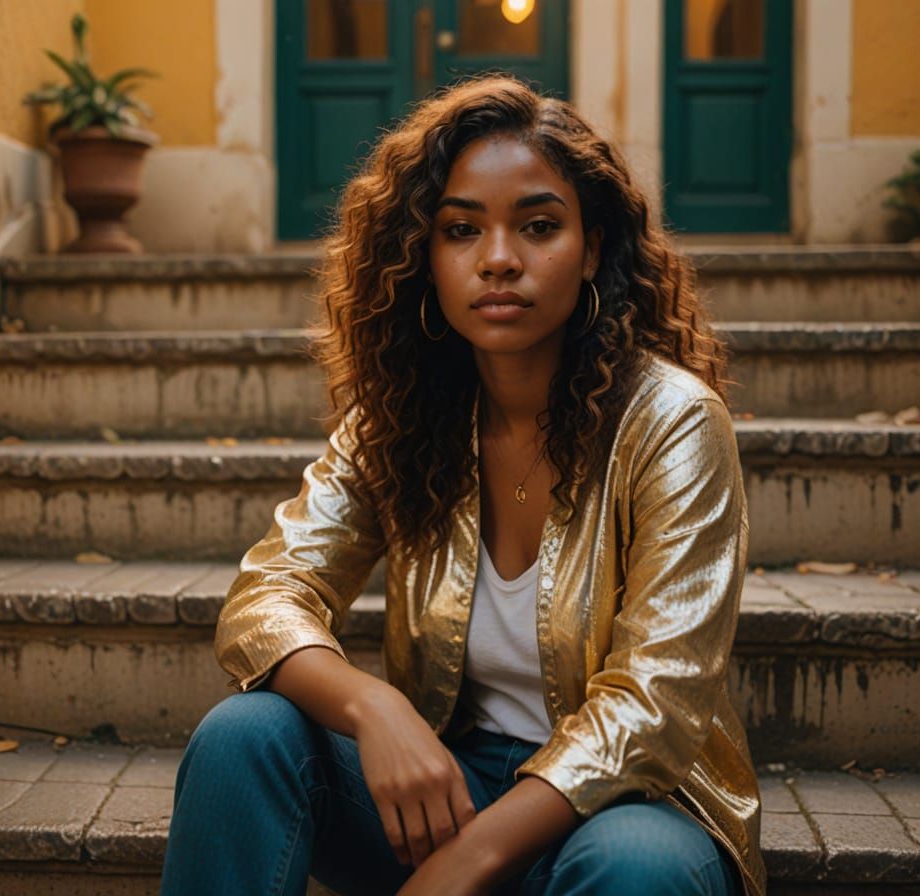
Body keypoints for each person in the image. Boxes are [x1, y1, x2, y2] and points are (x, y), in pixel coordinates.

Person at [160, 75, 765, 896]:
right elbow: (267, 596)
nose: (500, 260)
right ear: (423, 255)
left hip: (635, 801)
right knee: (245, 737)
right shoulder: (403, 417)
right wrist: (376, 712)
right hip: (453, 782)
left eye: (540, 226)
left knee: (634, 868)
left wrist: (468, 861)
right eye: (460, 230)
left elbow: (655, 702)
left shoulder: (673, 423)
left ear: (592, 248)